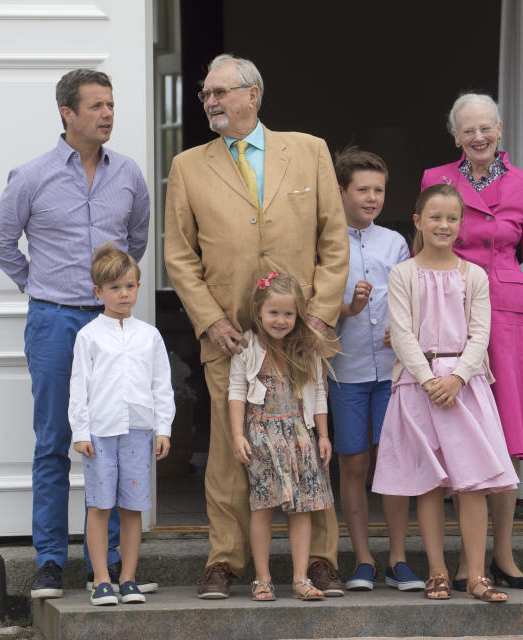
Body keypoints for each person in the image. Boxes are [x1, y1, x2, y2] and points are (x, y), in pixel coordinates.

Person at [163, 53, 349, 599]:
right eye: (205, 95)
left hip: (299, 333)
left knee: (309, 443)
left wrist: (317, 316)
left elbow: (334, 242)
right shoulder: (188, 165)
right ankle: (225, 560)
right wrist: (210, 319)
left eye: (220, 92)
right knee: (229, 447)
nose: (211, 102)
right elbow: (179, 256)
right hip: (229, 335)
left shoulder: (310, 150)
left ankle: (318, 560)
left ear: (253, 96)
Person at [0, 69, 151, 599]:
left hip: (112, 324)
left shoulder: (128, 174)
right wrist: (37, 284)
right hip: (54, 321)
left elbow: (137, 240)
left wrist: (113, 294)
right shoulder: (31, 176)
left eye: (111, 105)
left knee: (118, 438)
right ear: (68, 113)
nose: (107, 114)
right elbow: (0, 242)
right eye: (97, 106)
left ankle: (111, 567)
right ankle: (51, 562)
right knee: (56, 440)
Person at [420, 93, 523, 591]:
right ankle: (466, 559)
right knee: (458, 432)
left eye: (487, 129)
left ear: (500, 130)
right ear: (454, 135)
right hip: (450, 313)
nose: (478, 138)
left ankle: (503, 554)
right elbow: (425, 249)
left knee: (505, 439)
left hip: (510, 319)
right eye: (468, 130)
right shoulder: (436, 180)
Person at [372, 183, 519, 603]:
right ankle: (437, 570)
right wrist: (428, 378)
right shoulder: (403, 275)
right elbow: (400, 333)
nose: (443, 224)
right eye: (434, 217)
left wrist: (456, 378)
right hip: (419, 388)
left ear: (461, 224)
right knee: (430, 483)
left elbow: (480, 333)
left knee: (472, 483)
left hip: (465, 387)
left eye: (452, 218)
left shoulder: (473, 275)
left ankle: (475, 574)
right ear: (417, 221)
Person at [328, 148, 422, 592]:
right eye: (362, 189)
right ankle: (363, 559)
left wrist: (398, 330)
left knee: (394, 461)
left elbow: (409, 298)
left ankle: (399, 559)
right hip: (346, 371)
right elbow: (314, 307)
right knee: (353, 463)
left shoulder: (395, 243)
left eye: (378, 190)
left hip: (391, 371)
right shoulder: (325, 243)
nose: (371, 198)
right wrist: (350, 308)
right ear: (341, 190)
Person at [69, 243, 174, 606]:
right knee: (100, 505)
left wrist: (164, 429)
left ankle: (127, 578)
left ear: (138, 287)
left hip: (139, 432)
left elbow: (162, 385)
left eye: (129, 286)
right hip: (100, 433)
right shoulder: (89, 336)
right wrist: (80, 432)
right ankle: (101, 579)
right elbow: (78, 387)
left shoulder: (150, 336)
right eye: (114, 288)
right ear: (99, 292)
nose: (123, 294)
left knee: (132, 507)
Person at [229, 272, 334, 602]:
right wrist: (237, 434)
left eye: (288, 314)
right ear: (259, 309)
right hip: (261, 434)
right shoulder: (248, 345)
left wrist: (323, 435)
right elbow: (236, 391)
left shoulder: (305, 348)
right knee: (262, 507)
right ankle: (262, 579)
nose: (281, 320)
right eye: (274, 312)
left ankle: (301, 577)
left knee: (301, 508)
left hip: (300, 435)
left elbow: (317, 390)